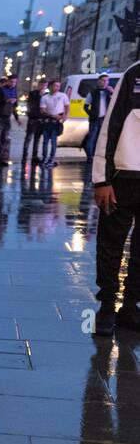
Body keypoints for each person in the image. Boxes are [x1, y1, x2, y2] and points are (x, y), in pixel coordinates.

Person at [90, 59, 140, 337]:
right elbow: (109, 128)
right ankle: (107, 306)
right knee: (110, 244)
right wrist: (102, 179)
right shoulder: (135, 74)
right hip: (123, 178)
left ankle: (130, 307)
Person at [38, 78, 70, 168]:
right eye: (56, 85)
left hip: (57, 122)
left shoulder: (63, 96)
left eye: (59, 86)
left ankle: (51, 159)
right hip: (47, 122)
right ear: (51, 86)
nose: (57, 87)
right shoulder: (45, 97)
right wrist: (53, 115)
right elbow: (42, 110)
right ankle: (44, 158)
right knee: (45, 141)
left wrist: (65, 116)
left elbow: (67, 107)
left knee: (54, 141)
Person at [85, 73, 113, 163]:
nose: (105, 82)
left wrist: (112, 92)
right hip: (95, 119)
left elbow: (115, 104)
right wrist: (92, 114)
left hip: (105, 119)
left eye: (107, 81)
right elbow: (85, 106)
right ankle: (90, 157)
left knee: (103, 139)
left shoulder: (109, 92)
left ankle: (101, 157)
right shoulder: (93, 93)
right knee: (92, 138)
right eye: (103, 80)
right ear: (99, 81)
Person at [22, 78, 46, 166]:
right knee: (29, 137)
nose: (43, 87)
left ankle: (34, 156)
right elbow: (31, 105)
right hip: (33, 119)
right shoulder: (33, 93)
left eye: (45, 85)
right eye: (42, 85)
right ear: (39, 85)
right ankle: (25, 155)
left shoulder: (46, 95)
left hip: (41, 120)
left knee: (37, 138)